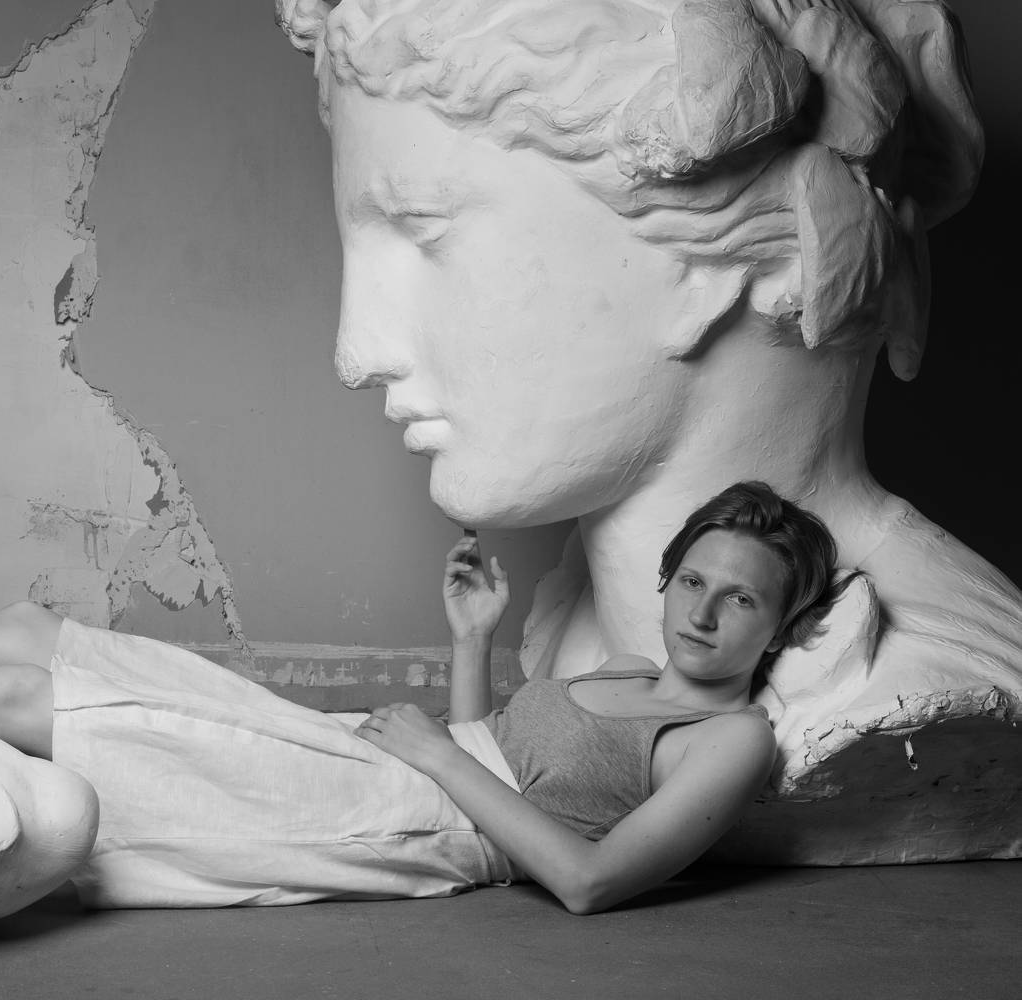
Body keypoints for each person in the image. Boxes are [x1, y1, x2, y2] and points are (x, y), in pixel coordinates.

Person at [275, 0, 1020, 862]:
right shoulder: (580, 633)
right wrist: (472, 649)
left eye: (425, 233)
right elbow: (494, 761)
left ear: (717, 270)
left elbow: (580, 873)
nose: (356, 354)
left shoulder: (936, 685)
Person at [0, 455, 841, 913]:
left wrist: (443, 756)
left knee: (29, 708)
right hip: (386, 755)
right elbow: (496, 743)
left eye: (741, 600)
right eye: (693, 580)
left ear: (783, 625)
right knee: (37, 641)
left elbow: (590, 877)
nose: (703, 611)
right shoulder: (626, 665)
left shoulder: (733, 740)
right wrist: (474, 642)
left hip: (401, 808)